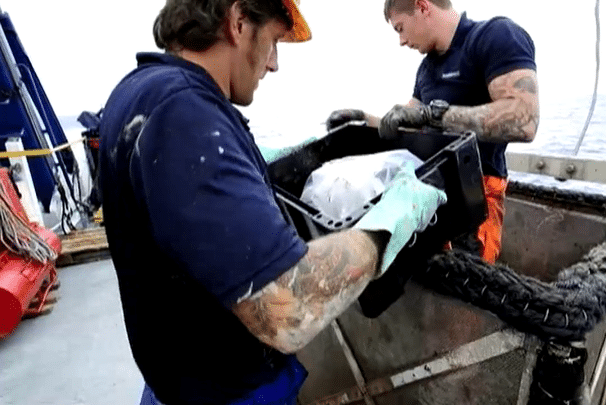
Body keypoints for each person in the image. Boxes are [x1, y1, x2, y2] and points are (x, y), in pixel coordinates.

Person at [97, 1, 446, 404]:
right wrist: (386, 226)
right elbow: (289, 307)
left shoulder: (138, 89)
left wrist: (249, 162)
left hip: (177, 379)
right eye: (275, 40)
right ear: (239, 20)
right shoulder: (183, 111)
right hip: (224, 393)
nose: (274, 64)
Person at [327, 0, 539, 264]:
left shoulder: (494, 36)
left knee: (469, 286)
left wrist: (434, 116)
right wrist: (363, 120)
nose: (402, 41)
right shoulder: (426, 69)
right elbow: (408, 120)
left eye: (400, 28)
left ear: (423, 6)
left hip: (477, 193)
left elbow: (525, 119)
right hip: (428, 190)